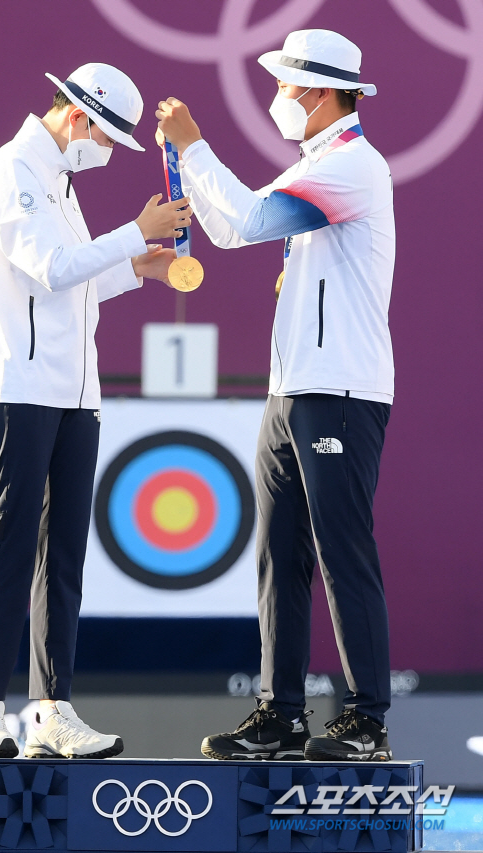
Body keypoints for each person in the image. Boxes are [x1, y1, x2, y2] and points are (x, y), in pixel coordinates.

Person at [157, 29, 395, 761]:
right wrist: (188, 174)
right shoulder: (317, 163)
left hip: (340, 391)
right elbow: (232, 227)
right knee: (278, 556)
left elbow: (250, 222)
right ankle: (281, 713)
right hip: (290, 393)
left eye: (286, 87)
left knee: (341, 551)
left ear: (319, 93)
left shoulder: (353, 165)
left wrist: (193, 148)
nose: (278, 101)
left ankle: (367, 720)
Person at [0, 62, 187, 759]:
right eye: (111, 137)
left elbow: (74, 280)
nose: (110, 152)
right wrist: (133, 229)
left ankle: (51, 710)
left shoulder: (59, 179)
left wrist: (135, 262)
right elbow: (50, 267)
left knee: (63, 554)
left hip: (73, 390)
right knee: (12, 539)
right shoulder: (14, 168)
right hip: (14, 383)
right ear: (79, 119)